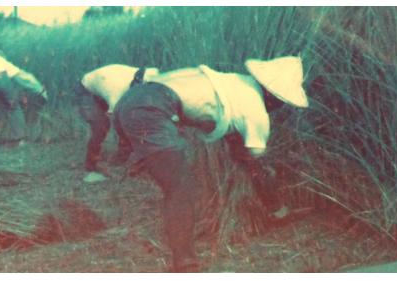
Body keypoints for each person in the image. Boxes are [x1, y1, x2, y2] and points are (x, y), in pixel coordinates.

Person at [111, 56, 309, 272]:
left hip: (129, 100)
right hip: (150, 109)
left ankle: (277, 212)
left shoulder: (234, 82)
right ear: (273, 97)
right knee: (179, 188)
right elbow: (254, 159)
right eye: (282, 101)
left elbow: (236, 145)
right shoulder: (256, 112)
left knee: (173, 175)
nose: (280, 107)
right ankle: (185, 266)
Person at [75, 64, 158, 179]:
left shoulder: (152, 75)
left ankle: (122, 157)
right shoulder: (116, 91)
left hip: (104, 83)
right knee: (101, 126)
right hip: (86, 90)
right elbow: (119, 122)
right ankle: (91, 164)